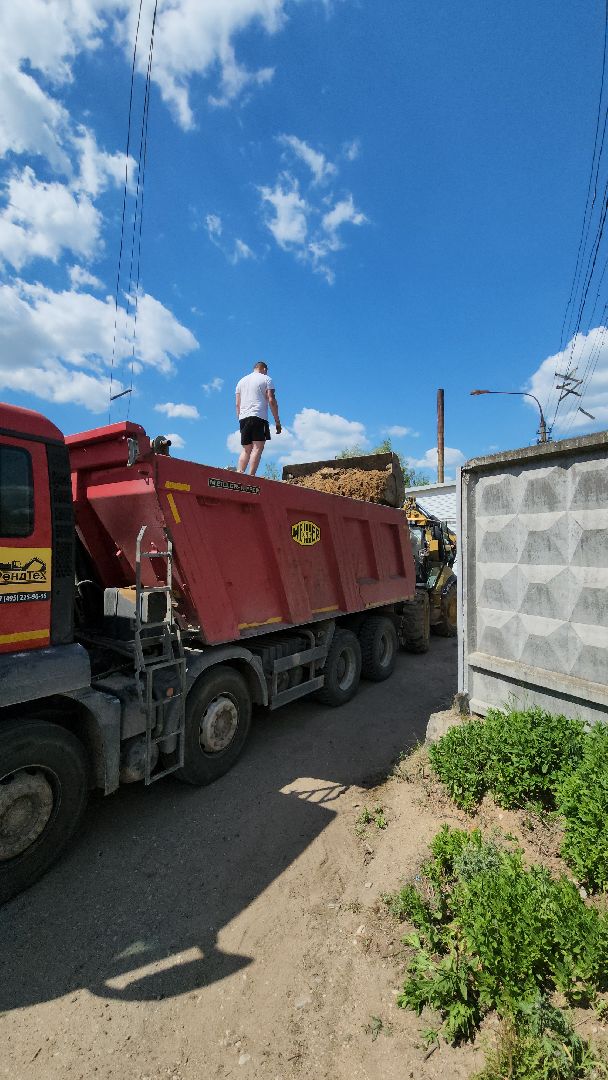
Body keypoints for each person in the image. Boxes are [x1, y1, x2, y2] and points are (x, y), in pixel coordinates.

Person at [235, 361, 281, 475]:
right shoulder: (267, 379)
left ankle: (239, 474)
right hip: (259, 417)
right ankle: (251, 477)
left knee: (246, 449)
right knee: (257, 448)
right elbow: (271, 400)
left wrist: (240, 418)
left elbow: (237, 404)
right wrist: (277, 421)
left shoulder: (241, 381)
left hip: (243, 417)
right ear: (264, 369)